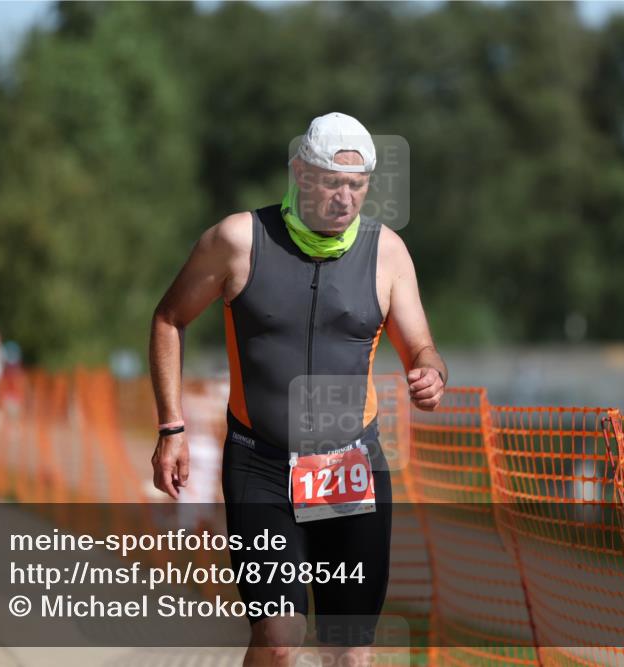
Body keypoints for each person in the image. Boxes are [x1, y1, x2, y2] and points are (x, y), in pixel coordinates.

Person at [149, 112, 446, 667]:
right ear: (300, 173)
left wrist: (430, 372)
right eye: (332, 182)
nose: (345, 198)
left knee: (350, 651)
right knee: (280, 637)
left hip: (350, 468)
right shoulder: (239, 240)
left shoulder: (387, 253)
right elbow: (169, 318)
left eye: (357, 185)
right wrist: (172, 428)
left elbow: (422, 347)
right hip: (261, 464)